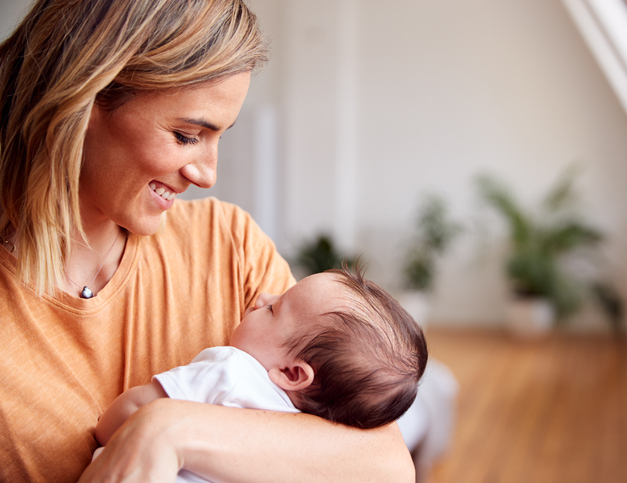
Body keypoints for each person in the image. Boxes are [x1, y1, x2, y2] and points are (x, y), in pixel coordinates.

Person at [0, 0, 415, 481]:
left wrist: (166, 429)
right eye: (185, 134)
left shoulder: (228, 245)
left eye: (218, 137)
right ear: (82, 98)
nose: (208, 174)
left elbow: (383, 465)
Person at [94, 268, 428, 482]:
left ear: (292, 372)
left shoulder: (230, 371)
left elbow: (121, 420)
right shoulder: (314, 439)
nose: (261, 297)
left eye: (273, 309)